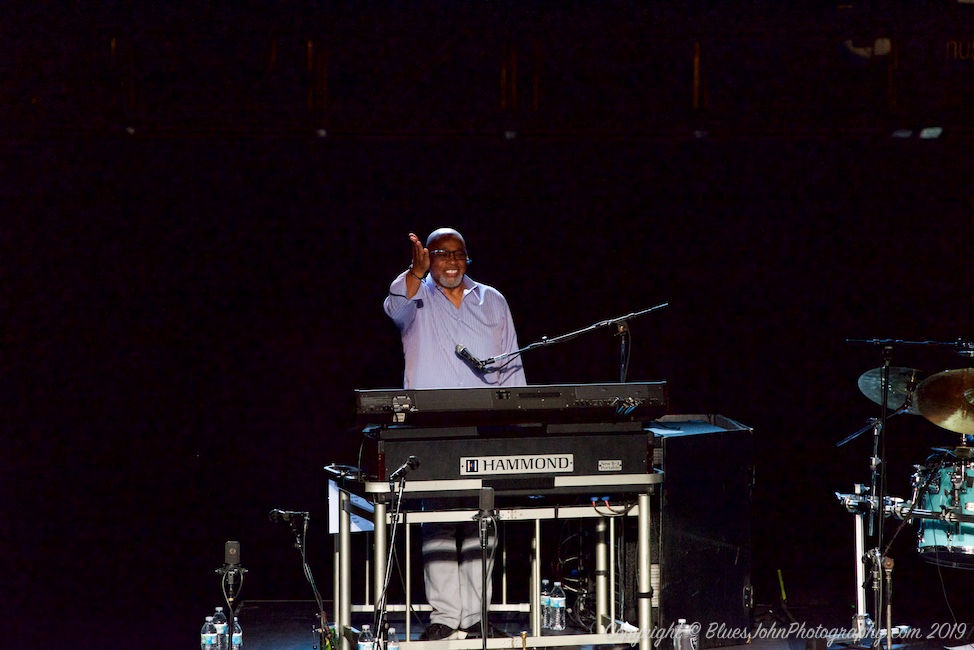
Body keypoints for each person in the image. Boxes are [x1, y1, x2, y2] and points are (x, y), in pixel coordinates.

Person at [383, 227, 526, 640]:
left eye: (459, 254)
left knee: (485, 517)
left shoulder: (492, 299)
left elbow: (512, 363)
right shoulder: (415, 297)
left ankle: (477, 615)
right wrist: (414, 271)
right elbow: (394, 310)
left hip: (487, 425)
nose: (451, 262)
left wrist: (519, 417)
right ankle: (446, 618)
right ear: (428, 257)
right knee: (440, 520)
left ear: (467, 258)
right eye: (442, 254)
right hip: (432, 427)